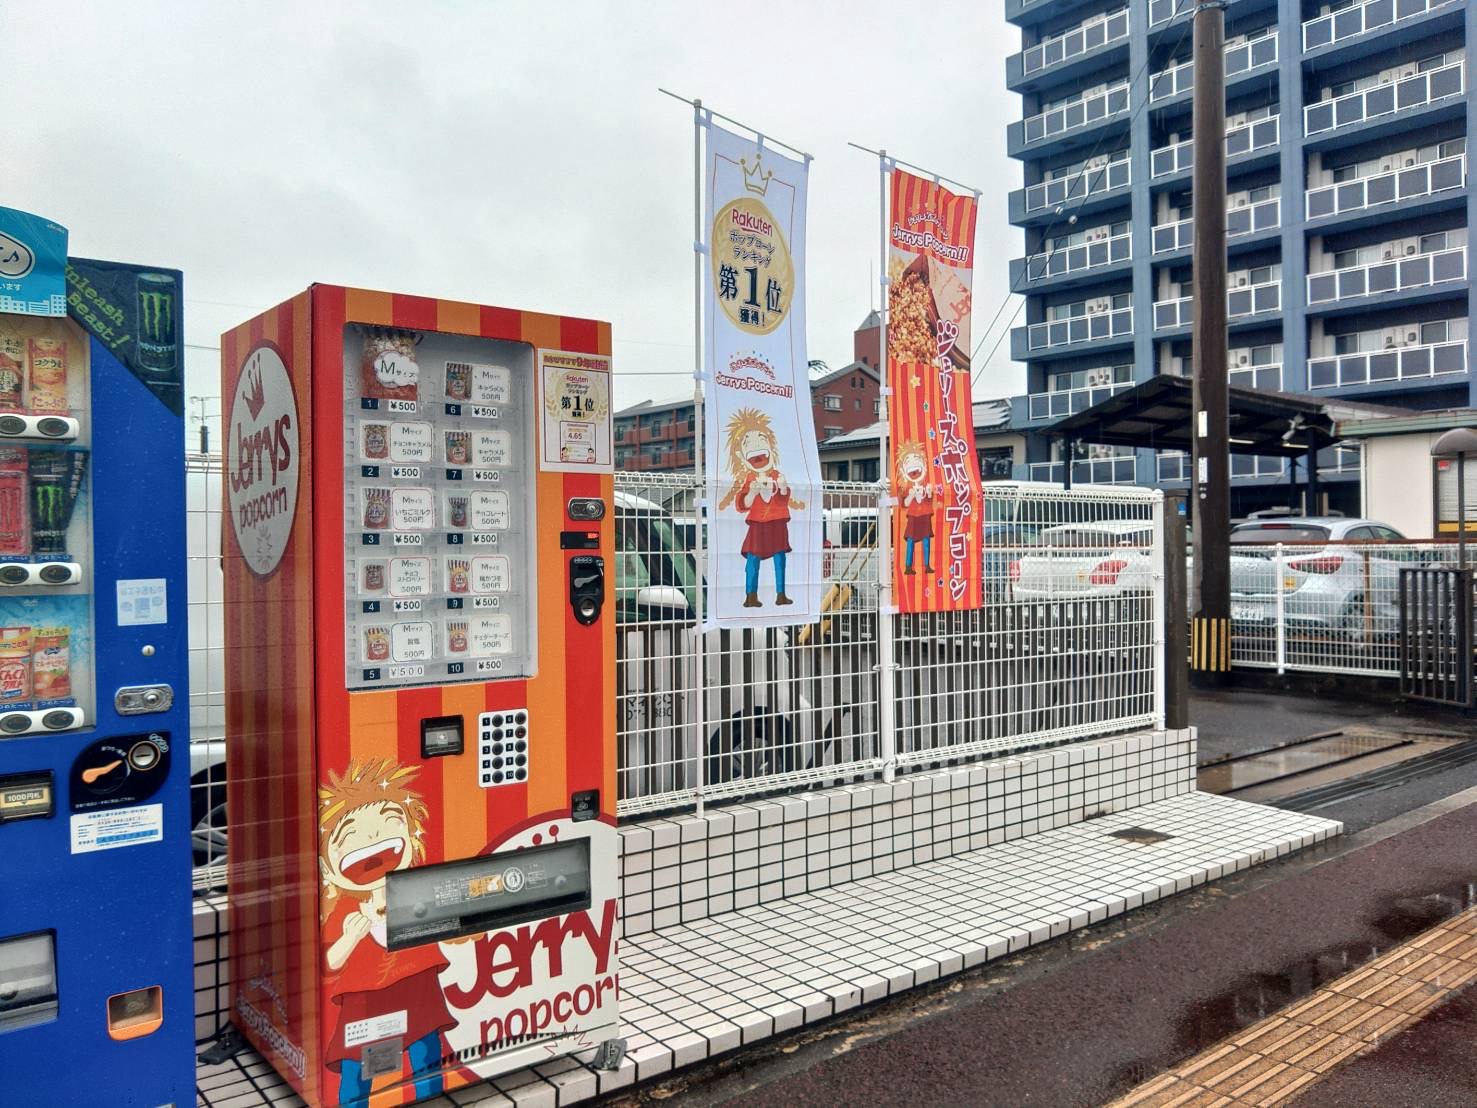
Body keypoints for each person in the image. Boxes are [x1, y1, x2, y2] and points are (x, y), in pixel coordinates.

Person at [319, 759, 453, 1104]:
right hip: (367, 1004)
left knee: (426, 1056)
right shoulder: (343, 909)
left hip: (418, 988)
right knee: (360, 1069)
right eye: (351, 835)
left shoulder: (414, 888)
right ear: (327, 866)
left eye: (389, 822)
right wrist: (350, 938)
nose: (373, 838)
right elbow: (328, 963)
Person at [717, 407, 806, 607]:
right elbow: (742, 504)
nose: (756, 443)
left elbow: (783, 498)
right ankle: (751, 595)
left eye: (761, 438)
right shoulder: (748, 478)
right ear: (741, 455)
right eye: (748, 441)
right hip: (757, 524)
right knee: (753, 560)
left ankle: (781, 594)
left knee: (780, 559)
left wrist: (783, 487)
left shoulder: (777, 475)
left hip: (777, 523)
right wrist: (752, 492)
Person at [896, 441, 935, 574]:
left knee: (926, 541)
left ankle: (927, 565)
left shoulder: (926, 485)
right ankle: (908, 566)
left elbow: (929, 501)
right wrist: (912, 495)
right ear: (903, 470)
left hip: (925, 516)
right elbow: (904, 504)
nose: (913, 464)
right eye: (908, 461)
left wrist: (928, 493)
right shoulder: (906, 488)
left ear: (924, 465)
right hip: (913, 516)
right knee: (910, 541)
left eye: (917, 459)